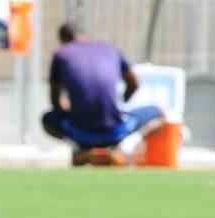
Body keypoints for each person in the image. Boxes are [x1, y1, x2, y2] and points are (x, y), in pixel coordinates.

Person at [42, 23, 164, 166]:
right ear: (83, 36)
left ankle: (81, 149)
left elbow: (55, 100)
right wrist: (123, 100)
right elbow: (134, 83)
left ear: (62, 40)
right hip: (115, 130)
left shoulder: (61, 54)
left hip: (79, 131)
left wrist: (68, 109)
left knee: (47, 119)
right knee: (160, 114)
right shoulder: (110, 49)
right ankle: (122, 148)